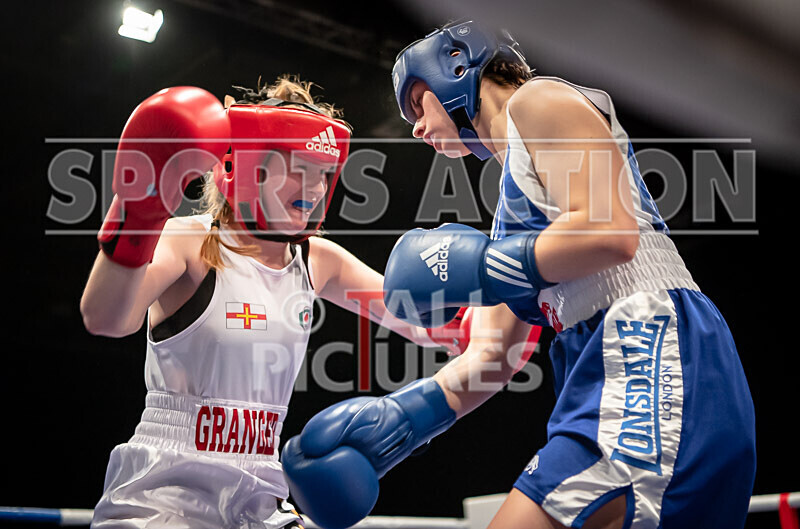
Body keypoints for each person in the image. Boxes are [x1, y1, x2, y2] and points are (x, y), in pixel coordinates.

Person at [281, 21, 757, 529]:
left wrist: (482, 266)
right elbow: (494, 355)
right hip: (603, 364)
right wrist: (400, 420)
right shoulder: (514, 218)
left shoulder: (538, 100)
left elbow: (611, 232)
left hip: (648, 343)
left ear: (456, 67)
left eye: (418, 104)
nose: (416, 128)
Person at [80, 76, 464, 529]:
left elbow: (431, 324)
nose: (315, 188)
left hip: (258, 492)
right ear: (243, 166)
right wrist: (139, 214)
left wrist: (507, 286)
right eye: (299, 169)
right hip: (168, 488)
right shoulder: (190, 240)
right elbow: (106, 318)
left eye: (322, 173)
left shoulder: (317, 260)